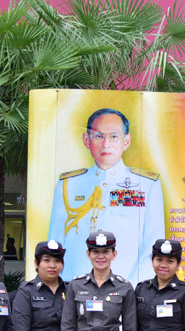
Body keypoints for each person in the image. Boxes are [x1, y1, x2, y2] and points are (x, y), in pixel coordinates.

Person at [48, 108, 165, 284]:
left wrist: (134, 289)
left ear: (127, 141)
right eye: (98, 136)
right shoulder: (68, 185)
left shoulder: (146, 185)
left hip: (127, 287)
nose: (106, 144)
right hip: (75, 287)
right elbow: (56, 243)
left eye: (114, 136)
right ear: (86, 140)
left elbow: (152, 245)